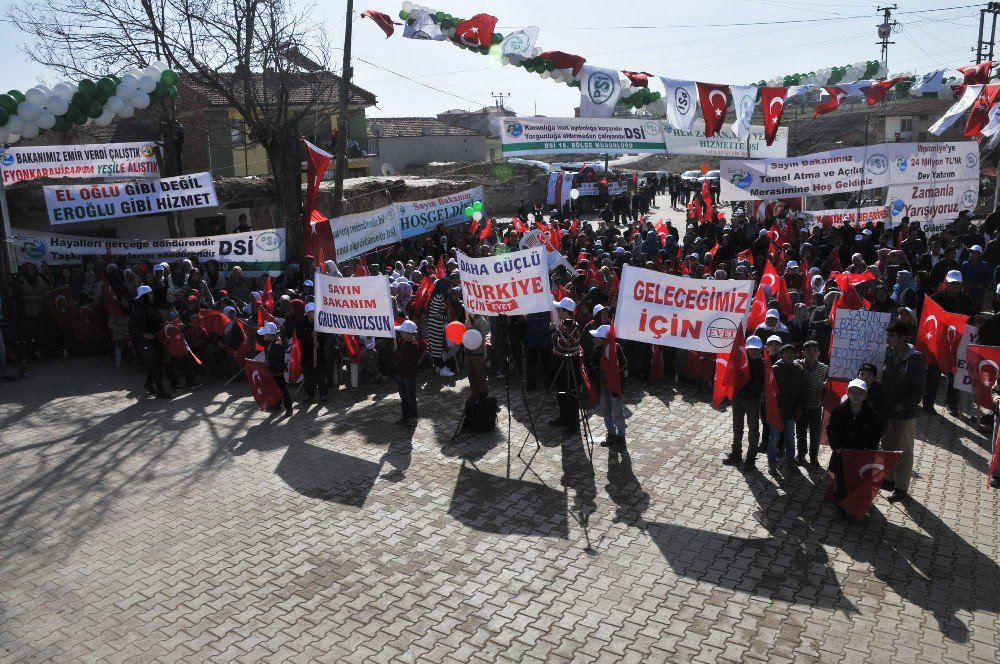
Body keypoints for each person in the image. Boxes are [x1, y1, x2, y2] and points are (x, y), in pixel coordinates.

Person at [826, 378, 886, 518]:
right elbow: (831, 430)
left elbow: (875, 435)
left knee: (858, 484)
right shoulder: (838, 411)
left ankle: (854, 510)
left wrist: (868, 450)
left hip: (861, 457)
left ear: (865, 395)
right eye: (853, 392)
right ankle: (840, 510)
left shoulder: (872, 415)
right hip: (842, 456)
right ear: (847, 392)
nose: (856, 396)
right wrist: (837, 447)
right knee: (840, 483)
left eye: (860, 393)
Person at [881, 320, 926, 502]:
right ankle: (891, 479)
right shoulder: (890, 353)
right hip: (888, 410)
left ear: (903, 338)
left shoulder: (915, 358)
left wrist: (904, 404)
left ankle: (901, 487)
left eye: (892, 336)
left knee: (904, 450)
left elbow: (919, 390)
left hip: (905, 413)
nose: (888, 339)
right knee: (888, 446)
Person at [924, 269, 974, 416]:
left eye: (957, 284)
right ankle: (928, 404)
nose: (954, 286)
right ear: (946, 283)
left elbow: (970, 319)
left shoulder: (966, 300)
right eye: (952, 284)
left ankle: (952, 405)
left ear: (961, 284)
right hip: (939, 343)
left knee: (955, 375)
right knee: (933, 375)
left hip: (956, 343)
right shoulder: (935, 298)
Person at [724, 335, 764, 469]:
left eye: (756, 349)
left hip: (752, 400)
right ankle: (736, 453)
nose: (754, 352)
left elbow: (757, 383)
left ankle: (751, 457)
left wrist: (742, 384)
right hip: (738, 399)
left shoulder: (762, 364)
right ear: (746, 349)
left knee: (753, 429)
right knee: (737, 428)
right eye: (751, 349)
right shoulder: (740, 361)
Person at [589, 324, 628, 450]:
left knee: (617, 411)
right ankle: (611, 434)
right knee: (606, 410)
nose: (594, 339)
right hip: (603, 384)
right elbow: (593, 366)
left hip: (615, 385)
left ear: (604, 339)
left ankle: (621, 437)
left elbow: (623, 365)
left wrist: (611, 369)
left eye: (597, 337)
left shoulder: (616, 348)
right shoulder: (596, 349)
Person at [129, 285, 171, 399]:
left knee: (156, 364)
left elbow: (155, 319)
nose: (152, 296)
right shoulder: (137, 310)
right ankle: (160, 390)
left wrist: (165, 323)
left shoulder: (148, 307)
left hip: (153, 340)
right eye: (150, 294)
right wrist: (144, 334)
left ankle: (149, 384)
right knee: (154, 365)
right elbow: (132, 328)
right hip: (144, 343)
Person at [769, 344, 804, 470]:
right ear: (781, 355)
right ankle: (772, 463)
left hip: (791, 411)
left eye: (792, 352)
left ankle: (791, 461)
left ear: (795, 355)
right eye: (786, 352)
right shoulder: (775, 369)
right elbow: (769, 391)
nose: (789, 354)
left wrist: (799, 407)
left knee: (790, 437)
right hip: (776, 410)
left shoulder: (799, 370)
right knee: (774, 437)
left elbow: (801, 391)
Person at [795, 340, 828, 468]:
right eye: (808, 350)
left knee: (815, 434)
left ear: (819, 353)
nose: (811, 353)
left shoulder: (824, 368)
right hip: (801, 406)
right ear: (803, 352)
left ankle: (814, 457)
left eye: (815, 350)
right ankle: (801, 454)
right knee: (801, 432)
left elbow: (832, 382)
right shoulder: (798, 365)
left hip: (815, 407)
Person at [550, 297, 582, 428]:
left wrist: (553, 331)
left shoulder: (573, 326)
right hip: (560, 361)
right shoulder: (564, 324)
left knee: (572, 392)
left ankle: (572, 421)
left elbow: (561, 344)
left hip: (569, 362)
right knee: (561, 389)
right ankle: (563, 416)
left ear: (566, 311)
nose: (557, 311)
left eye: (559, 309)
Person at [260, 321, 292, 416]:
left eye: (265, 333)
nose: (264, 335)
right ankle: (277, 405)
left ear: (270, 334)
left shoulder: (278, 343)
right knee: (275, 389)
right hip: (272, 369)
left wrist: (270, 363)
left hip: (277, 370)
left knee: (283, 390)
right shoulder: (270, 342)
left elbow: (278, 358)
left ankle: (289, 408)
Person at [394, 319, 420, 425]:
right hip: (402, 373)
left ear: (408, 333)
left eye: (402, 331)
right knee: (403, 396)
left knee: (410, 396)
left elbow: (404, 360)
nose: (400, 333)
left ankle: (413, 417)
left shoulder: (413, 345)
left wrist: (396, 354)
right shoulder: (405, 341)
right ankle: (405, 415)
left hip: (409, 375)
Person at [464, 312, 490, 397]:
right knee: (471, 376)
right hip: (468, 352)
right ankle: (474, 395)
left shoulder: (481, 320)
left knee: (480, 376)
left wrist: (470, 328)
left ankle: (483, 396)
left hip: (478, 353)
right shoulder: (468, 318)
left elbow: (482, 336)